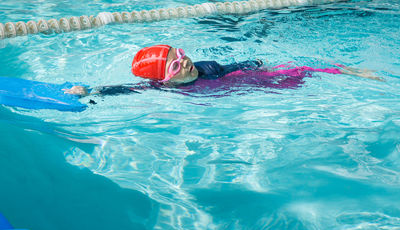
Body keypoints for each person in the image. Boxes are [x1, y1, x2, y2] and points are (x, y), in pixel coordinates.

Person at [63, 44, 383, 96]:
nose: (186, 62)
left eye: (182, 54)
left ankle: (347, 71)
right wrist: (91, 91)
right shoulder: (158, 89)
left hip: (248, 83)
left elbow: (236, 68)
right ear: (165, 77)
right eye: (177, 63)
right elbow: (126, 89)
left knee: (300, 75)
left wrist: (256, 65)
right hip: (233, 95)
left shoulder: (209, 69)